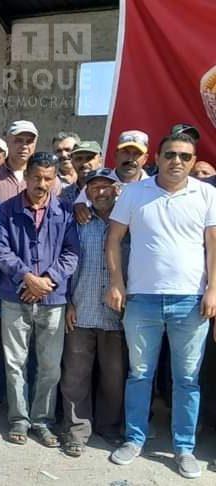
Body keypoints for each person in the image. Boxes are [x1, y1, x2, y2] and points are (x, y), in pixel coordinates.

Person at [107, 133, 216, 479]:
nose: (178, 162)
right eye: (171, 154)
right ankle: (134, 439)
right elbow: (114, 240)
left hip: (191, 301)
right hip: (142, 300)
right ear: (158, 155)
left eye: (186, 156)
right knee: (140, 374)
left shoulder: (207, 194)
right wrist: (116, 282)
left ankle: (184, 447)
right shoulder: (135, 194)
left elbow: (213, 246)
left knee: (187, 378)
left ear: (192, 159)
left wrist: (214, 289)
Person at [0, 151, 78, 448]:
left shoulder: (66, 212)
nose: (42, 184)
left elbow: (71, 254)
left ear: (55, 181)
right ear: (26, 177)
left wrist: (46, 282)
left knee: (50, 365)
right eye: (37, 177)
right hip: (15, 297)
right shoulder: (7, 210)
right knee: (15, 362)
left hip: (53, 300)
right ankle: (18, 418)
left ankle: (42, 420)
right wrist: (27, 277)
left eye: (48, 179)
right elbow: (2, 249)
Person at [60, 168, 127, 458]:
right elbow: (63, 264)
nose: (100, 192)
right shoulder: (76, 223)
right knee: (75, 377)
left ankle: (109, 427)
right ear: (86, 191)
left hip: (116, 315)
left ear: (117, 190)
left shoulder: (128, 223)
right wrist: (66, 302)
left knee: (113, 376)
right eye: (94, 187)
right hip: (81, 310)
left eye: (106, 186)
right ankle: (76, 431)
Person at [72, 131, 151, 224]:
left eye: (137, 153)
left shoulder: (154, 187)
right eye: (125, 152)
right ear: (116, 155)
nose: (130, 159)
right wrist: (78, 207)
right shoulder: (97, 181)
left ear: (145, 158)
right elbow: (79, 206)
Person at [0, 121, 39, 202]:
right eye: (19, 140)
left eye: (29, 141)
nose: (24, 146)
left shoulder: (47, 179)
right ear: (7, 141)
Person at [59, 141, 102, 205]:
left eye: (89, 158)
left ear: (100, 161)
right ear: (72, 162)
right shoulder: (65, 194)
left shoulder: (112, 191)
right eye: (79, 159)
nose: (84, 163)